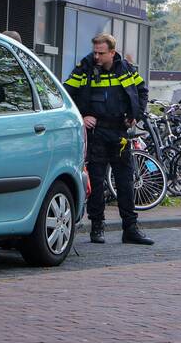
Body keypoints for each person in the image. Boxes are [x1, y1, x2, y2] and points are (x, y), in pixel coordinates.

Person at [64, 33, 154, 245]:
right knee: (96, 181)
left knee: (125, 181)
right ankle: (97, 227)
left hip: (120, 133)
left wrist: (135, 115)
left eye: (101, 53)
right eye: (94, 51)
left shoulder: (126, 69)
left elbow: (142, 92)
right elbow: (66, 93)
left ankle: (130, 229)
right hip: (97, 134)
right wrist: (82, 116)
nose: (96, 56)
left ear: (112, 53)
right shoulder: (84, 69)